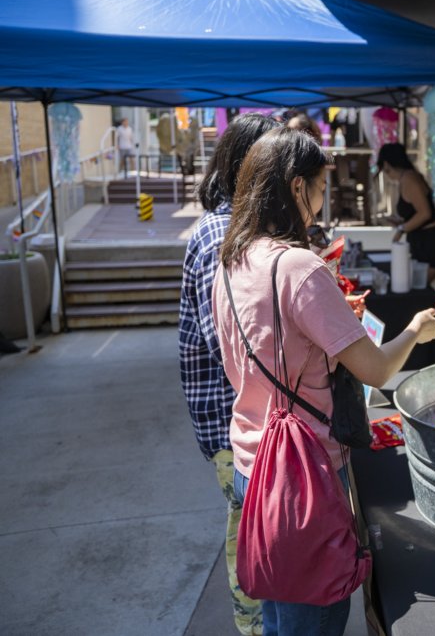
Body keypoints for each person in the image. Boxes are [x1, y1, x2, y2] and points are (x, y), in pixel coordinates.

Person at [211, 127, 435, 635]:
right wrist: (415, 331)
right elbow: (377, 370)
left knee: (278, 613)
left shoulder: (230, 262)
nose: (320, 201)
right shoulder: (298, 268)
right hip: (305, 475)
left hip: (254, 464)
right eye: (319, 188)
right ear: (297, 188)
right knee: (311, 619)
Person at [179, 113, 281, 636]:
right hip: (233, 423)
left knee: (253, 531)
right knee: (250, 535)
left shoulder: (239, 228)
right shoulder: (224, 234)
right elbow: (232, 347)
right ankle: (255, 627)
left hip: (241, 418)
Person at [379, 142, 435, 283]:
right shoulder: (406, 177)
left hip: (429, 246)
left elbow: (425, 214)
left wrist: (401, 229)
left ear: (386, 164)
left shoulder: (409, 178)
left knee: (413, 292)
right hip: (422, 244)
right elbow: (419, 214)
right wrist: (401, 223)